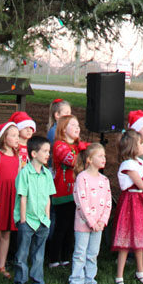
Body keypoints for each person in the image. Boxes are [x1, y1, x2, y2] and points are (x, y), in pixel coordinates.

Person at [112, 130, 143, 284]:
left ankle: (140, 271)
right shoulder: (128, 165)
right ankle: (119, 276)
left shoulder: (138, 162)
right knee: (126, 239)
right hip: (132, 202)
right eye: (141, 143)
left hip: (140, 201)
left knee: (139, 238)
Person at [13, 135, 55, 284]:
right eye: (44, 151)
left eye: (48, 151)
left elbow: (47, 198)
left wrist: (47, 218)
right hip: (28, 220)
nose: (47, 154)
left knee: (39, 254)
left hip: (42, 221)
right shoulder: (25, 173)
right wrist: (22, 220)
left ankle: (37, 283)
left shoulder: (46, 174)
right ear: (33, 154)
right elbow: (23, 197)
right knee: (22, 254)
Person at [68, 143, 112, 284]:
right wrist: (91, 222)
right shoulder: (82, 178)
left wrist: (102, 221)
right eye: (100, 156)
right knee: (80, 252)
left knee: (93, 253)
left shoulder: (104, 180)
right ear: (89, 159)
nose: (103, 158)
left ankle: (90, 279)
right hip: (83, 224)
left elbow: (107, 202)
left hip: (98, 225)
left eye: (104, 156)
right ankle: (76, 280)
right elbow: (81, 201)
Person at [0, 122, 23, 278]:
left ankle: (1, 265)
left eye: (17, 135)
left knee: (7, 233)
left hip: (11, 198)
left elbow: (19, 177)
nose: (17, 138)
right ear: (4, 138)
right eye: (13, 135)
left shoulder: (17, 157)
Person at [47, 115, 85, 268]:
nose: (78, 128)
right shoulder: (59, 146)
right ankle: (54, 258)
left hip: (76, 192)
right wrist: (83, 151)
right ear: (63, 129)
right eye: (73, 125)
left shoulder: (78, 146)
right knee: (61, 225)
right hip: (63, 192)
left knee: (71, 227)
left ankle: (66, 256)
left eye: (78, 125)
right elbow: (71, 160)